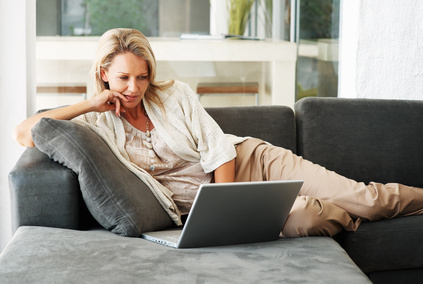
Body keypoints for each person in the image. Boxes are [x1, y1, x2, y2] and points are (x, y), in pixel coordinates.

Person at [14, 28, 423, 237]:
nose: (134, 88)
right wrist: (90, 102)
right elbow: (27, 134)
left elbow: (220, 152)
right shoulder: (96, 121)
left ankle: (377, 206)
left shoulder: (175, 95)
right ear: (104, 73)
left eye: (142, 76)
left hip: (249, 164)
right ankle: (347, 215)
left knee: (367, 199)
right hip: (201, 209)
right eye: (123, 78)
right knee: (308, 218)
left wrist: (225, 210)